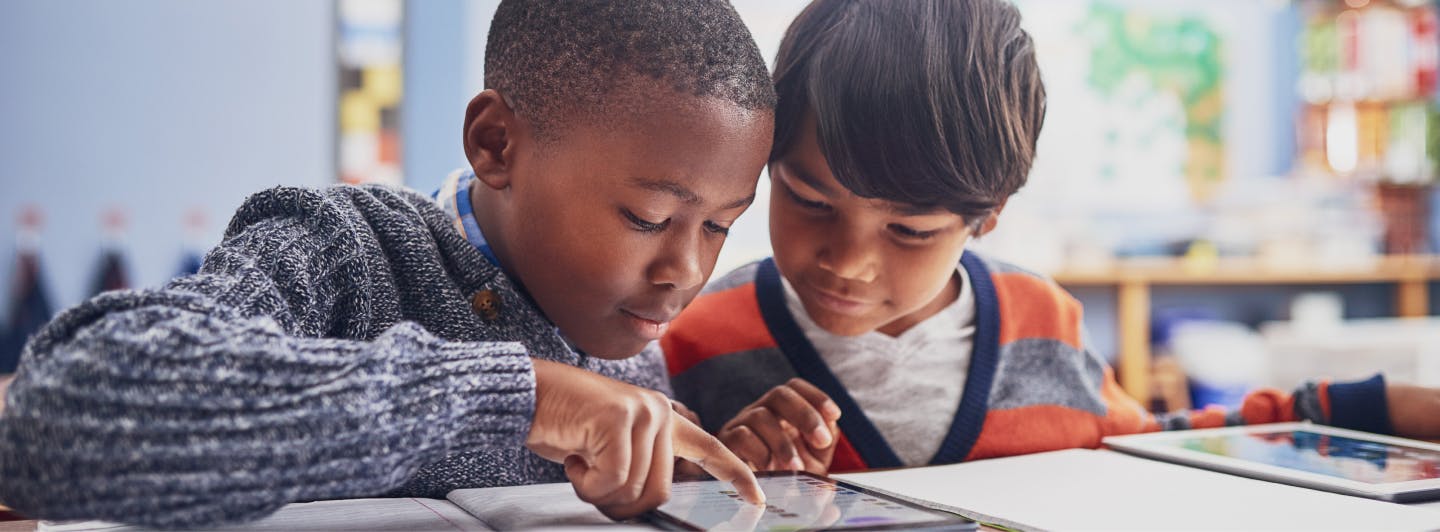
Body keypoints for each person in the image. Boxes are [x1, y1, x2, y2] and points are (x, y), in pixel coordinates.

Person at [0, 0, 775, 527]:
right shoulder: (342, 249)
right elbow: (59, 411)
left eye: (718, 227)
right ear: (497, 144)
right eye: (647, 218)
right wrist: (520, 396)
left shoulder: (630, 345)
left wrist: (698, 481)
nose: (684, 269)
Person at [662, 0, 1440, 475]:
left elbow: (1156, 450)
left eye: (911, 228)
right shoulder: (691, 339)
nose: (848, 260)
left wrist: (1366, 408)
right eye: (807, 198)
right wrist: (719, 475)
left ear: (988, 214)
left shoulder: (1045, 324)